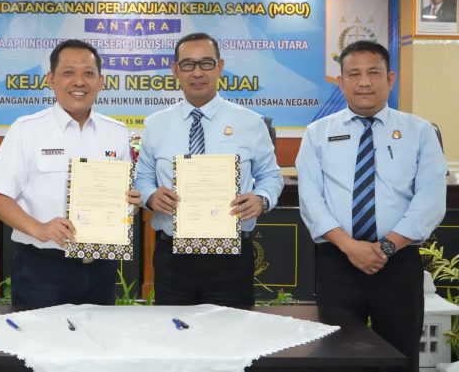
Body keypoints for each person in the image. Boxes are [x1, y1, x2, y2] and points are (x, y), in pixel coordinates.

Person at [296, 40, 447, 372]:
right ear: (341, 82)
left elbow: (430, 199)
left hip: (398, 262)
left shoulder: (419, 132)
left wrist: (387, 247)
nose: (364, 82)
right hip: (337, 260)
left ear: (390, 79)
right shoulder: (317, 133)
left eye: (373, 72)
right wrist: (350, 246)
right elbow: (311, 199)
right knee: (335, 357)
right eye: (354, 74)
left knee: (399, 356)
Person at [0, 39, 141, 309]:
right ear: (51, 79)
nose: (79, 81)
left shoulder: (116, 132)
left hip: (101, 268)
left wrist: (131, 204)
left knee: (97, 336)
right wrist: (40, 228)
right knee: (39, 337)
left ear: (101, 81)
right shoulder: (26, 130)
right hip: (43, 269)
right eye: (68, 72)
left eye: (88, 73)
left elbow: (125, 200)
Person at [134, 32, 284, 306]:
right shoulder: (156, 124)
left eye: (206, 63)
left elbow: (271, 176)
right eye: (187, 64)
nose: (197, 72)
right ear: (175, 70)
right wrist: (152, 197)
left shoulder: (250, 122)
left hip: (232, 256)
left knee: (232, 331)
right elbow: (143, 177)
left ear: (220, 66)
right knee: (175, 329)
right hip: (173, 257)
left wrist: (261, 199)